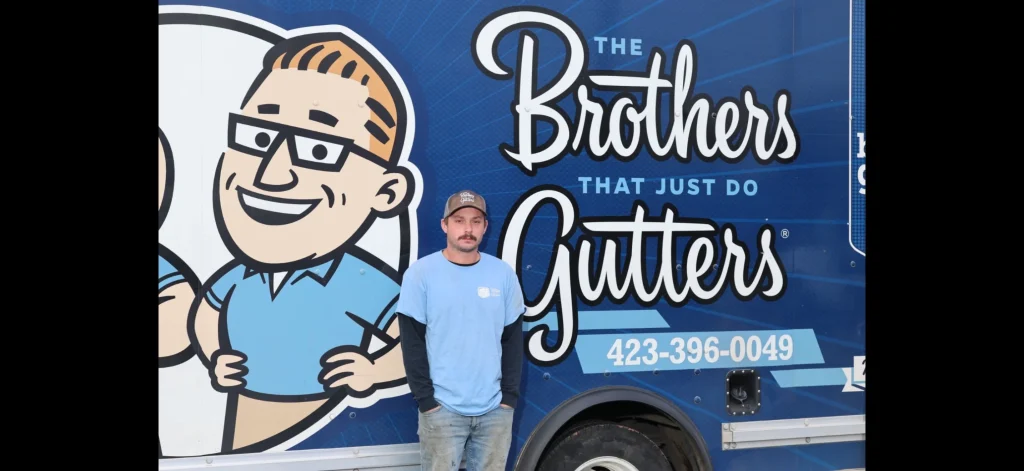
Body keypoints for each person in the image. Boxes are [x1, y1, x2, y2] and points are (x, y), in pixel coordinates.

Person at [397, 190, 526, 470]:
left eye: (476, 221)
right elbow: (412, 343)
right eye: (459, 221)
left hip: (494, 410)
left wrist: (508, 399)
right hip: (442, 410)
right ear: (445, 225)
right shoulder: (421, 274)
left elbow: (513, 341)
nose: (467, 229)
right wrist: (427, 402)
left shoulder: (502, 274)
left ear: (485, 227)